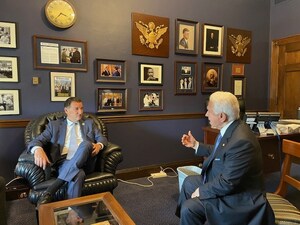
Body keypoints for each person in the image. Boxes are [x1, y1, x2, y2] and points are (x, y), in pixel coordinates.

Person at [176, 91, 275, 225]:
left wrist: (202, 190)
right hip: (231, 186)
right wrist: (195, 145)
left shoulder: (242, 142)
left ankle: (188, 218)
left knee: (190, 209)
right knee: (189, 183)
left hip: (240, 199)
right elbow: (220, 152)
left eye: (209, 111)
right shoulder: (231, 129)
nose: (206, 114)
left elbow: (227, 183)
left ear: (221, 116)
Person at [27, 97, 108, 207]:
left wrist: (99, 145)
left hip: (87, 161)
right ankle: (71, 212)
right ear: (66, 110)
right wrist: (38, 149)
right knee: (79, 174)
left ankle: (52, 189)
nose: (80, 112)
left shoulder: (89, 123)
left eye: (81, 108)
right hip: (64, 162)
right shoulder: (54, 125)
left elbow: (102, 138)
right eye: (76, 109)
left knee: (86, 144)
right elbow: (37, 141)